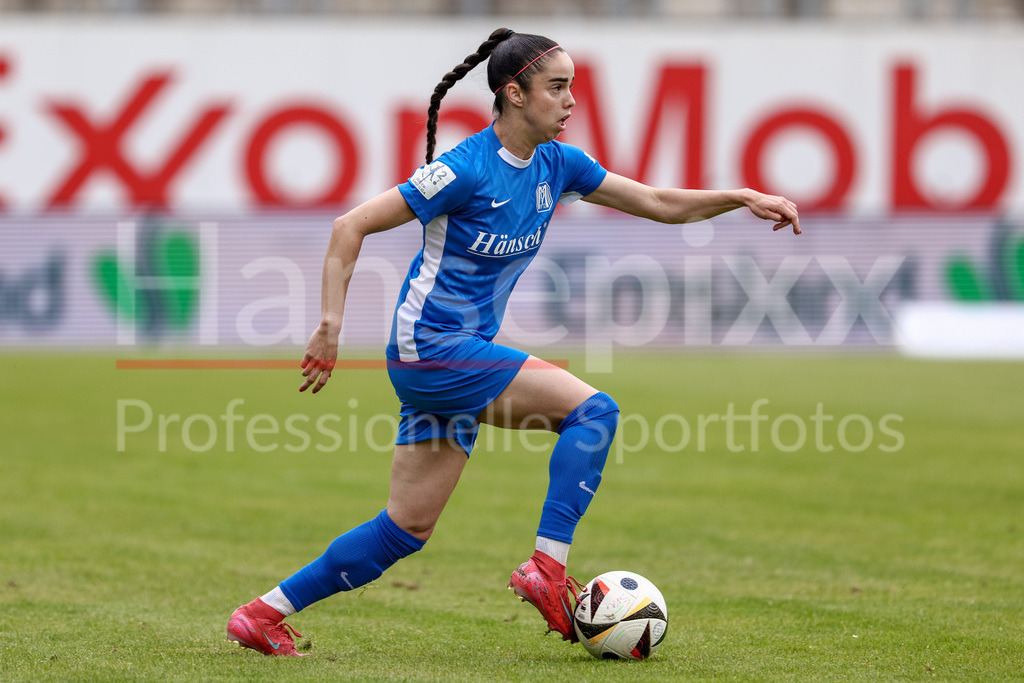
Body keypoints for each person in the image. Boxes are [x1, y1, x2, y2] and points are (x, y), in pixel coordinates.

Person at [226, 27, 801, 657]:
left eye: (572, 88)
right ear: (514, 92)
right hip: (433, 349)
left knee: (405, 528)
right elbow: (350, 225)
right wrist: (330, 326)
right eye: (557, 88)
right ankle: (548, 568)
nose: (570, 101)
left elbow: (660, 203)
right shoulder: (465, 168)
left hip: (446, 355)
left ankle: (263, 614)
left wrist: (739, 197)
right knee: (594, 411)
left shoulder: (560, 164)